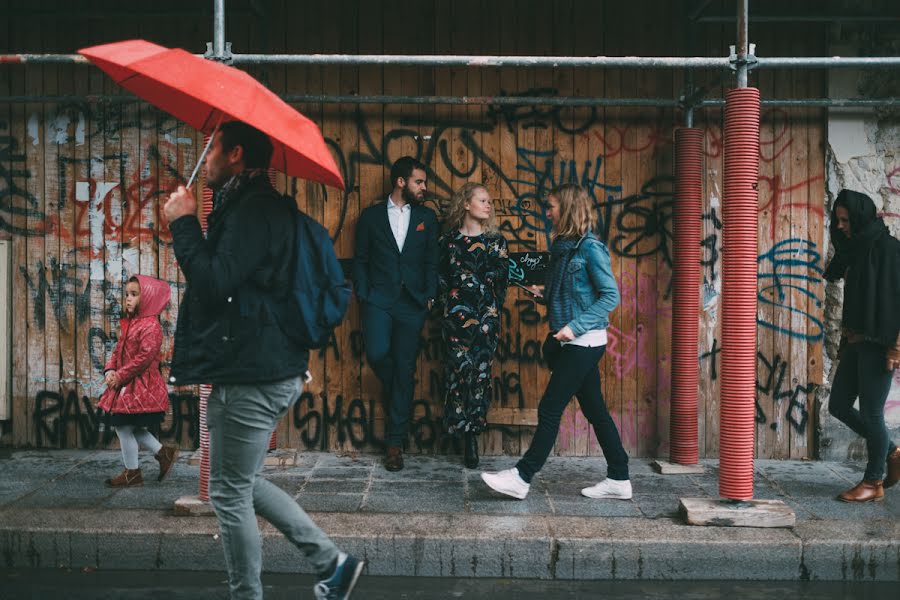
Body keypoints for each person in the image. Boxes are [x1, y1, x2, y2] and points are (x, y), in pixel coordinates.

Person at [163, 121, 363, 600]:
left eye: (210, 149)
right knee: (241, 482)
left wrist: (183, 222)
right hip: (263, 365)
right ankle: (334, 565)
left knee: (228, 492)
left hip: (251, 373)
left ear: (234, 154)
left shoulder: (252, 210)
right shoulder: (255, 206)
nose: (204, 157)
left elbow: (215, 282)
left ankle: (251, 594)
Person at [480, 183, 629, 500]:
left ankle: (522, 477)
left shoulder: (590, 248)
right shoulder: (564, 247)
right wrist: (542, 295)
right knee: (595, 411)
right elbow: (569, 294)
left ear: (569, 208)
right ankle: (619, 477)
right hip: (572, 342)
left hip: (583, 341)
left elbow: (610, 296)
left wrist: (574, 328)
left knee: (549, 409)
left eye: (551, 207)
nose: (547, 213)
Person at [352, 156, 439, 471]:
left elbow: (432, 261)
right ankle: (400, 390)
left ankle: (394, 443)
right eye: (419, 181)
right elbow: (360, 259)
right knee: (377, 354)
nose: (423, 187)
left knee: (404, 368)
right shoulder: (371, 217)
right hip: (378, 300)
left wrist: (429, 295)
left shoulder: (426, 218)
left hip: (412, 303)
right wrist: (363, 294)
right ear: (401, 181)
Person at [823, 189, 900, 503]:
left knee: (871, 415)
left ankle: (873, 482)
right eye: (837, 220)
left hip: (878, 345)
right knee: (838, 406)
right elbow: (854, 301)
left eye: (846, 220)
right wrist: (843, 340)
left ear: (860, 217)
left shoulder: (889, 249)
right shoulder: (854, 250)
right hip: (855, 342)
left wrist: (896, 348)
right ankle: (893, 450)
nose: (840, 226)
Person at [437, 182, 509, 468]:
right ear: (466, 204)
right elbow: (441, 278)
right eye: (482, 200)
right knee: (457, 375)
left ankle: (472, 437)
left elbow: (502, 279)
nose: (488, 205)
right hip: (455, 320)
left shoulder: (496, 241)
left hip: (485, 320)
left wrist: (487, 310)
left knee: (479, 375)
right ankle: (457, 428)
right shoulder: (448, 242)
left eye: (489, 201)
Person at [98, 274, 178, 488]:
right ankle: (162, 453)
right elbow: (118, 350)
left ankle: (133, 472)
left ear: (148, 298)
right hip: (128, 385)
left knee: (123, 427)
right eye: (127, 294)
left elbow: (144, 358)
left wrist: (120, 376)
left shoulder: (151, 327)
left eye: (134, 294)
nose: (128, 299)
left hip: (142, 387)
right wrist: (110, 370)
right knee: (126, 426)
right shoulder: (131, 323)